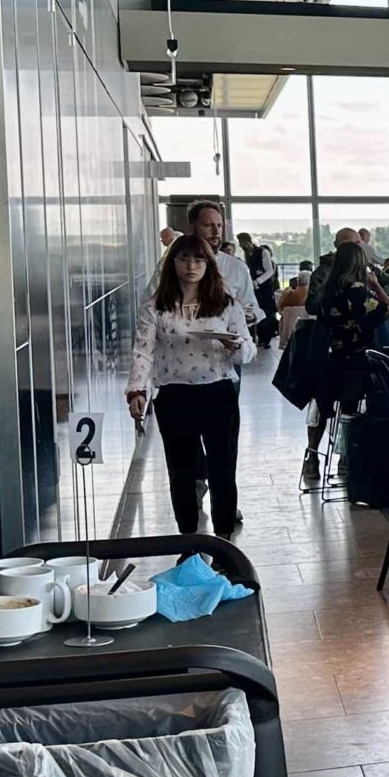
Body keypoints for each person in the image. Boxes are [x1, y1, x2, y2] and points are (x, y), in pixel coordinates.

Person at [127, 233, 254, 536]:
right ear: (172, 262)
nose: (191, 266)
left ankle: (223, 541)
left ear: (209, 264)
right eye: (183, 258)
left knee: (222, 469)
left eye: (199, 259)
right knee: (181, 471)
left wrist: (235, 346)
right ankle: (189, 540)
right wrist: (137, 390)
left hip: (218, 391)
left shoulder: (225, 304)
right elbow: (143, 350)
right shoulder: (155, 307)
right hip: (174, 394)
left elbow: (248, 350)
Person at [300, 239, 389, 488]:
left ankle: (312, 457)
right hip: (354, 364)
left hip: (327, 363)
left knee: (321, 404)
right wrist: (376, 285)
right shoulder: (357, 291)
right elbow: (388, 309)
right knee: (358, 401)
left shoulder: (327, 289)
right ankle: (346, 457)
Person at [184, 200, 260, 333]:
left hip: (226, 345)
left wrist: (248, 316)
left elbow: (251, 306)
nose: (215, 231)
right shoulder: (174, 265)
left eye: (219, 225)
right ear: (192, 227)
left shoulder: (237, 267)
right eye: (208, 225)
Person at [240, 231, 280, 347]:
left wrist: (258, 281)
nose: (241, 246)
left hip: (265, 288)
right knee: (256, 310)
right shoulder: (248, 255)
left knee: (266, 311)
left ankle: (266, 338)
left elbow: (269, 271)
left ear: (247, 242)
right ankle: (260, 337)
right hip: (254, 288)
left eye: (242, 243)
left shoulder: (263, 252)